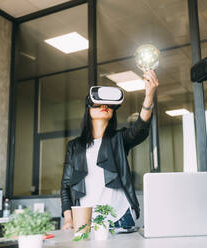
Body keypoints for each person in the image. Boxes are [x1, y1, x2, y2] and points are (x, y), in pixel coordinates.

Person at [60, 70, 159, 230]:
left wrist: (149, 96)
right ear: (88, 109)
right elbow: (66, 186)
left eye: (108, 105)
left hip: (120, 217)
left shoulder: (119, 139)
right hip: (87, 220)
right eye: (99, 103)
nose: (104, 106)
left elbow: (140, 129)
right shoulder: (75, 146)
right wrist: (69, 219)